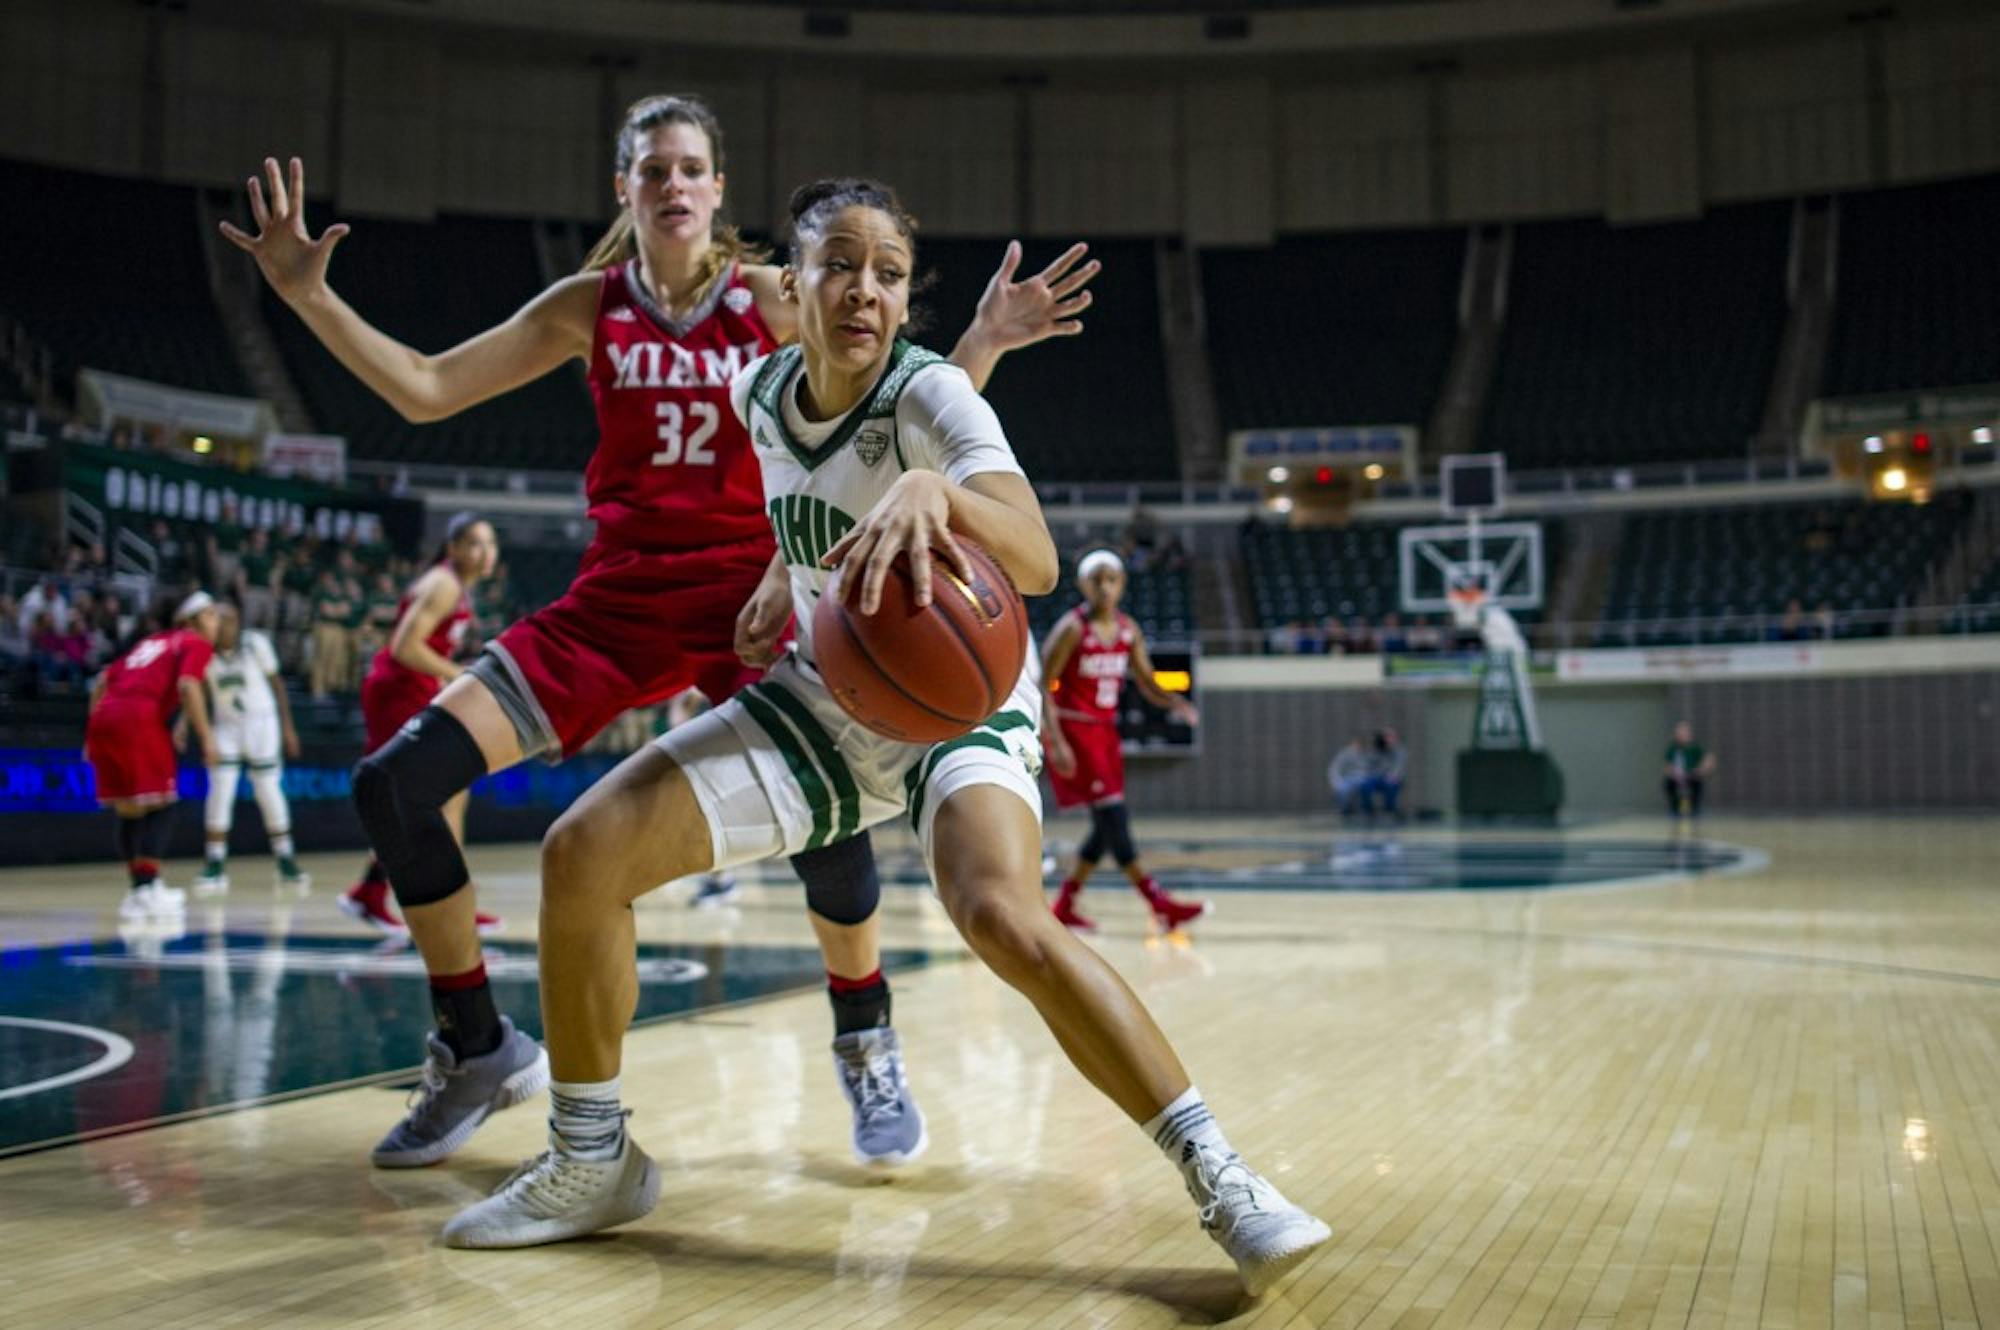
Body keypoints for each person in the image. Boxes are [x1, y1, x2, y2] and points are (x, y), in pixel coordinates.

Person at [442, 180, 1331, 1298]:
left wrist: (935, 491)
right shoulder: (759, 392)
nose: (864, 289)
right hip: (830, 695)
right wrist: (784, 577)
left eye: (889, 273)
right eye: (839, 265)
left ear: (907, 300)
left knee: (998, 912)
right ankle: (589, 1160)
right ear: (793, 285)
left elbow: (1036, 558)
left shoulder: (934, 395)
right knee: (581, 855)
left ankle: (1223, 1178)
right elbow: (814, 497)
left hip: (962, 703)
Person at [220, 100, 1095, 1170]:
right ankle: (476, 1044)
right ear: (624, 188)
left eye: (690, 169)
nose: (673, 185)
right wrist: (308, 295)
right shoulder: (587, 305)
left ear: (718, 189)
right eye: (652, 169)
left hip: (750, 597)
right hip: (618, 600)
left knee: (827, 827)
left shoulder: (777, 292)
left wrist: (981, 344)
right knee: (395, 784)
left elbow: (892, 404)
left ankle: (864, 1034)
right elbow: (429, 387)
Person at [338, 513, 500, 938]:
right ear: (453, 548)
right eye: (476, 543)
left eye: (491, 544)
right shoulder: (444, 584)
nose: (486, 553)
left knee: (450, 793)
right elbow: (403, 647)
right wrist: (458, 674)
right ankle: (385, 895)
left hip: (414, 689)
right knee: (420, 796)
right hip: (397, 691)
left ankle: (435, 900)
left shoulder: (454, 585)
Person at [1041, 549, 1208, 934]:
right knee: (1115, 818)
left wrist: (1174, 701)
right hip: (1076, 731)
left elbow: (1147, 681)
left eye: (1111, 580)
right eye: (1096, 580)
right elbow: (1044, 686)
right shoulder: (1072, 628)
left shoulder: (1128, 629)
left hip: (1105, 732)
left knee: (1105, 827)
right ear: (1083, 585)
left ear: (1122, 584)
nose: (1104, 587)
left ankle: (1064, 905)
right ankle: (1159, 903)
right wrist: (1056, 740)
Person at [84, 592, 221, 920]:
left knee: (130, 809)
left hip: (106, 717)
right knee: (163, 803)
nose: (216, 622)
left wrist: (91, 732)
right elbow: (188, 686)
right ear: (190, 621)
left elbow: (101, 682)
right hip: (139, 718)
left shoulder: (153, 642)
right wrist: (207, 738)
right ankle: (147, 888)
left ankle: (139, 890)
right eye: (210, 615)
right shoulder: (194, 642)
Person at [194, 601, 308, 896]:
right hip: (226, 725)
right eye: (220, 620)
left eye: (231, 620)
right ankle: (215, 862)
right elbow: (198, 693)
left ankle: (286, 859)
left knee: (268, 789)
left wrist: (288, 728)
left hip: (262, 723)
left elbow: (278, 686)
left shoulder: (256, 643)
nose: (226, 625)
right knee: (220, 790)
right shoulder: (203, 652)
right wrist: (185, 725)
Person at [1663, 719, 1716, 819]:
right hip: (1677, 777)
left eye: (1683, 732)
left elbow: (1709, 759)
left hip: (1692, 775)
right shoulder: (1673, 748)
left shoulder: (1695, 747)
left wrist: (1701, 769)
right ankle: (1674, 809)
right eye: (1678, 732)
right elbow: (1667, 765)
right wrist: (1672, 772)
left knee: (1696, 782)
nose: (1680, 734)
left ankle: (1695, 808)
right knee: (1668, 783)